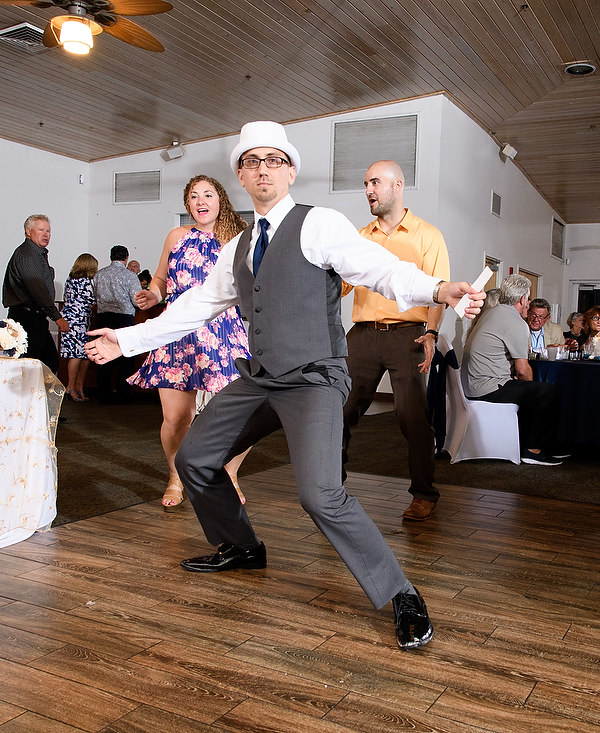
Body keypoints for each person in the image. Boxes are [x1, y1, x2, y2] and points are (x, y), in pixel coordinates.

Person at [86, 121, 484, 649]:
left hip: (314, 378)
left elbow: (381, 270)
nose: (263, 170)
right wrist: (126, 339)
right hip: (261, 377)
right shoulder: (238, 246)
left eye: (274, 160)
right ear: (241, 176)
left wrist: (438, 288)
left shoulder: (318, 224)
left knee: (320, 495)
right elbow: (193, 308)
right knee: (194, 459)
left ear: (291, 171)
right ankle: (241, 546)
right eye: (252, 162)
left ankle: (401, 592)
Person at [129, 175, 251, 511]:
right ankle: (176, 476)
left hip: (223, 331)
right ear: (187, 204)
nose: (201, 201)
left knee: (245, 413)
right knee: (176, 418)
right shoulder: (176, 236)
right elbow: (160, 278)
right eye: (194, 196)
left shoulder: (238, 237)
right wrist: (153, 295)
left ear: (220, 200)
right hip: (177, 332)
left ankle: (229, 474)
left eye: (208, 195)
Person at [340, 160, 449, 522]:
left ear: (397, 185)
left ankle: (424, 494)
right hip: (363, 334)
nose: (368, 190)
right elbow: (341, 286)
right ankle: (331, 488)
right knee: (339, 411)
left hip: (409, 335)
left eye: (375, 182)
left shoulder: (427, 235)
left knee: (412, 416)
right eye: (365, 184)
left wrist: (431, 333)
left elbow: (438, 292)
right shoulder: (359, 237)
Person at [461, 274, 565, 466]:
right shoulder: (515, 321)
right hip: (488, 388)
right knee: (545, 391)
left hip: (473, 385)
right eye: (529, 298)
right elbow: (523, 370)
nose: (529, 303)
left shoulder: (492, 313)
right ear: (523, 299)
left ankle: (532, 443)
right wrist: (531, 387)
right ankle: (533, 449)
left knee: (531, 391)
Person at [1, 214, 69, 372]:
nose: (46, 234)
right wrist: (57, 318)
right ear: (28, 231)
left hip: (35, 318)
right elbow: (38, 290)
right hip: (26, 319)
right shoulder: (27, 255)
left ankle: (38, 389)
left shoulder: (37, 254)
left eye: (48, 231)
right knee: (32, 366)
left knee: (47, 363)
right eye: (41, 230)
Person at [92, 245, 142, 402]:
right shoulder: (130, 276)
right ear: (126, 258)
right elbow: (137, 299)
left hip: (103, 318)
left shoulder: (99, 275)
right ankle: (122, 393)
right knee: (125, 356)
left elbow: (94, 296)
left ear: (110, 257)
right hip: (123, 318)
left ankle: (103, 393)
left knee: (103, 354)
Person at [60, 253, 98, 402]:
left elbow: (65, 298)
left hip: (70, 320)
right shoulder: (86, 282)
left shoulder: (70, 280)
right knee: (78, 355)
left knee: (82, 355)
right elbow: (92, 302)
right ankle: (71, 387)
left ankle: (77, 386)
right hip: (79, 321)